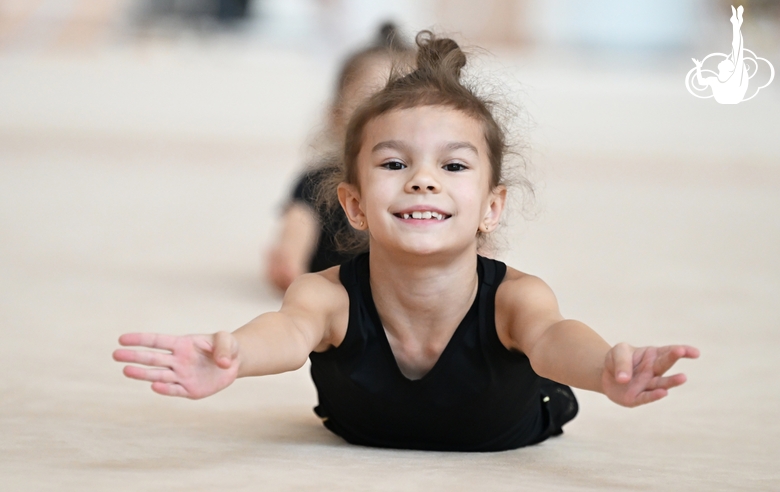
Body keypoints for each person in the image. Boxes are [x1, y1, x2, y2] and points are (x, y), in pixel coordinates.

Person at [114, 32, 699, 452]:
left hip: (514, 424)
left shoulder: (516, 300)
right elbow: (289, 333)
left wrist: (603, 369)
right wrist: (235, 355)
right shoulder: (327, 296)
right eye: (394, 163)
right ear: (355, 204)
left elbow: (551, 339)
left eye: (453, 166)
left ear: (491, 208)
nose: (423, 179)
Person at [265, 23, 412, 292]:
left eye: (409, 104)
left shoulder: (429, 186)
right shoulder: (316, 183)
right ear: (336, 116)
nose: (392, 117)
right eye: (373, 101)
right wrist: (289, 264)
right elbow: (293, 243)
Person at [692, 5, 748, 104]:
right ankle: (736, 24)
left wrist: (736, 25)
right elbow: (737, 49)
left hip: (730, 99)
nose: (725, 59)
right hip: (730, 99)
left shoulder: (730, 79)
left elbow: (737, 48)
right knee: (737, 50)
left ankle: (736, 24)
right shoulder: (721, 80)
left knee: (737, 50)